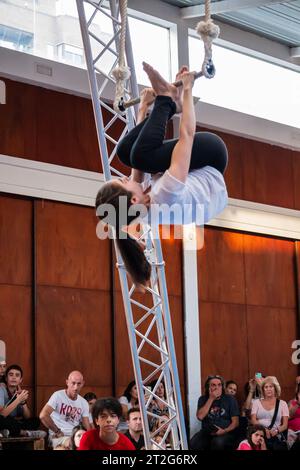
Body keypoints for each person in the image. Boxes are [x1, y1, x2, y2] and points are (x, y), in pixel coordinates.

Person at [95, 62, 228, 288]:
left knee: (126, 153)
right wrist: (187, 90)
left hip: (198, 173)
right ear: (134, 199)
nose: (127, 178)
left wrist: (142, 109)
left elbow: (135, 162)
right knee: (140, 156)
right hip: (213, 159)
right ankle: (169, 100)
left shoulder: (139, 206)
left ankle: (167, 102)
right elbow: (187, 134)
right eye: (123, 181)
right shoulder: (165, 195)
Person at [39, 370, 91, 449]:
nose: (76, 387)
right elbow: (43, 415)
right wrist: (57, 431)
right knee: (72, 443)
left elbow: (86, 426)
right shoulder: (58, 395)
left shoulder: (83, 402)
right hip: (58, 436)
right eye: (73, 383)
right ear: (67, 382)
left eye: (79, 384)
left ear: (83, 383)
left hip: (76, 436)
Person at [190, 375, 239, 450]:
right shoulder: (203, 399)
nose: (217, 387)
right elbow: (200, 417)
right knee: (194, 443)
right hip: (207, 432)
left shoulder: (230, 399)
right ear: (208, 387)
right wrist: (211, 398)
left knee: (218, 443)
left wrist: (224, 431)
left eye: (219, 385)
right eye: (213, 385)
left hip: (226, 432)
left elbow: (235, 422)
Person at [0, 364, 45, 438]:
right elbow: (2, 414)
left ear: (20, 380)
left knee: (35, 421)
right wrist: (18, 400)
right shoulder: (1, 390)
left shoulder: (19, 393)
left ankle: (7, 431)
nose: (14, 377)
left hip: (12, 423)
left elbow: (27, 417)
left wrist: (23, 402)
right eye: (11, 375)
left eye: (17, 375)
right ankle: (25, 433)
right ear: (6, 378)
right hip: (3, 420)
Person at [250, 376, 289, 450]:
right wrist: (264, 430)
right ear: (263, 389)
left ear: (275, 388)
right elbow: (253, 420)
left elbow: (285, 425)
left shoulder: (283, 403)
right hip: (259, 433)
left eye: (271, 386)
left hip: (275, 435)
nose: (268, 389)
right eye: (266, 387)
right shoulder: (256, 402)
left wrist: (276, 431)